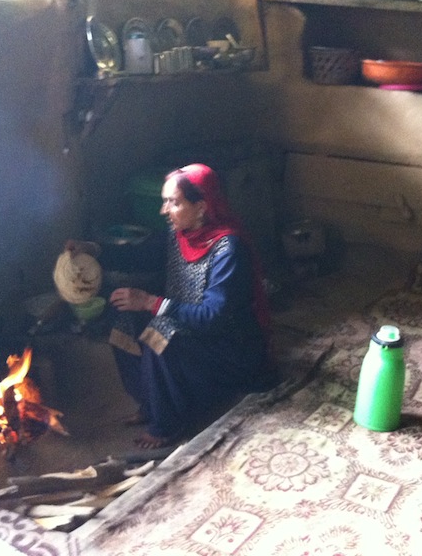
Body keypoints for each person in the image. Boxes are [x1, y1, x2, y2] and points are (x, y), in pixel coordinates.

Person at [68, 163, 277, 449]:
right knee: (124, 318)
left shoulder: (229, 249)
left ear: (201, 207)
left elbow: (214, 316)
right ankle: (151, 401)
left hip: (229, 346)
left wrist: (151, 303)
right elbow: (138, 255)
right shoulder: (177, 234)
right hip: (187, 325)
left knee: (160, 332)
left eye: (173, 203)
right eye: (164, 202)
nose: (163, 211)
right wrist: (94, 250)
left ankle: (167, 423)